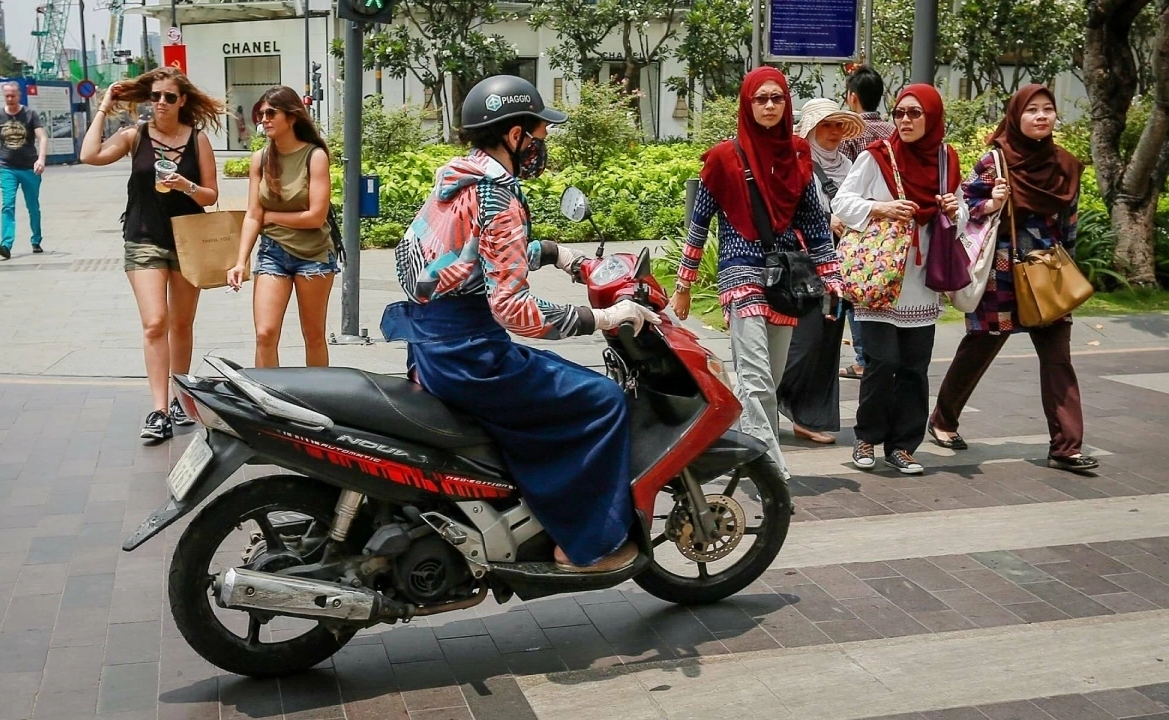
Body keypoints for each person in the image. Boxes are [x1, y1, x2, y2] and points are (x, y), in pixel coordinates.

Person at [380, 75, 658, 574]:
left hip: (432, 344)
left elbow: (463, 259)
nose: (542, 146)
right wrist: (602, 317)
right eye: (539, 135)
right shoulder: (500, 197)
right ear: (514, 136)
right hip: (470, 355)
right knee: (602, 400)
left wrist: (554, 253)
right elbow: (514, 311)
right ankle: (583, 547)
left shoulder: (458, 176)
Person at [672, 68, 842, 479]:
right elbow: (700, 222)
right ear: (747, 105)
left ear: (787, 104)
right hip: (740, 272)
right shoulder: (722, 157)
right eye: (760, 99)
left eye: (776, 98)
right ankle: (770, 468)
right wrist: (684, 284)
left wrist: (832, 279)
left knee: (771, 378)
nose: (768, 106)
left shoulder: (799, 154)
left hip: (786, 280)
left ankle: (740, 445)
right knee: (754, 377)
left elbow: (816, 224)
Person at [929, 84, 1097, 474]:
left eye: (1048, 109)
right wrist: (993, 203)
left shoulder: (1065, 165)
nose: (1041, 116)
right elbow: (965, 208)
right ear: (1015, 116)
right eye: (1032, 110)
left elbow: (1068, 226)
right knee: (980, 346)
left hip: (1046, 271)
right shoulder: (994, 162)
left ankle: (1066, 447)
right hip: (1000, 271)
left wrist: (1063, 264)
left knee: (1058, 357)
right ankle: (943, 419)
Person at [80, 67, 223, 441]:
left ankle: (179, 397)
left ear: (182, 101)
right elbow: (89, 155)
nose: (161, 102)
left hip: (188, 240)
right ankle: (159, 410)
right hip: (143, 237)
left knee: (181, 324)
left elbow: (211, 195)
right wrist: (104, 106)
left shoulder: (198, 141)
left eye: (169, 97)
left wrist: (186, 184)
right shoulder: (135, 136)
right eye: (155, 96)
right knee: (155, 322)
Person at [832, 84, 966, 475]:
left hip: (922, 280)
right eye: (899, 113)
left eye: (914, 113)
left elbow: (959, 221)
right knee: (882, 361)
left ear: (933, 117)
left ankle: (904, 446)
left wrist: (956, 209)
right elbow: (843, 202)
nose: (904, 120)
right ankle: (866, 438)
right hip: (879, 274)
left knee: (914, 366)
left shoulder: (945, 160)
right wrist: (882, 207)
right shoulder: (878, 157)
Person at [227, 86, 336, 369]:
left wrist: (272, 218)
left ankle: (317, 402)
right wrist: (241, 262)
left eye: (271, 113)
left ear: (291, 116)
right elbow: (253, 214)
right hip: (272, 253)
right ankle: (267, 403)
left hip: (313, 255)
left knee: (313, 336)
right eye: (260, 114)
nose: (264, 119)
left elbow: (315, 216)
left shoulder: (315, 156)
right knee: (265, 334)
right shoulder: (260, 159)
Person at [777, 98, 864, 445]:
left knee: (829, 340)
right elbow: (783, 212)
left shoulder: (852, 166)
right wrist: (824, 220)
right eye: (827, 125)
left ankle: (807, 416)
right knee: (805, 340)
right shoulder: (796, 165)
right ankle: (757, 398)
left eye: (838, 125)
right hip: (806, 263)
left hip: (843, 263)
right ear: (811, 129)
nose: (833, 133)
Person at [838, 66, 896, 381]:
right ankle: (877, 352)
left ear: (852, 97)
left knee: (855, 290)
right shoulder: (892, 131)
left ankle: (863, 358)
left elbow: (846, 185)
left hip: (858, 222)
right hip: (891, 225)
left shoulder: (850, 133)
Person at [0, 81, 48, 260]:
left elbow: (42, 137)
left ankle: (36, 239)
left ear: (19, 95)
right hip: (7, 168)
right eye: (7, 96)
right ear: (4, 96)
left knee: (32, 206)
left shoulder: (29, 114)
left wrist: (41, 159)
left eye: (13, 95)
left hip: (29, 168)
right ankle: (6, 244)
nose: (10, 98)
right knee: (7, 205)